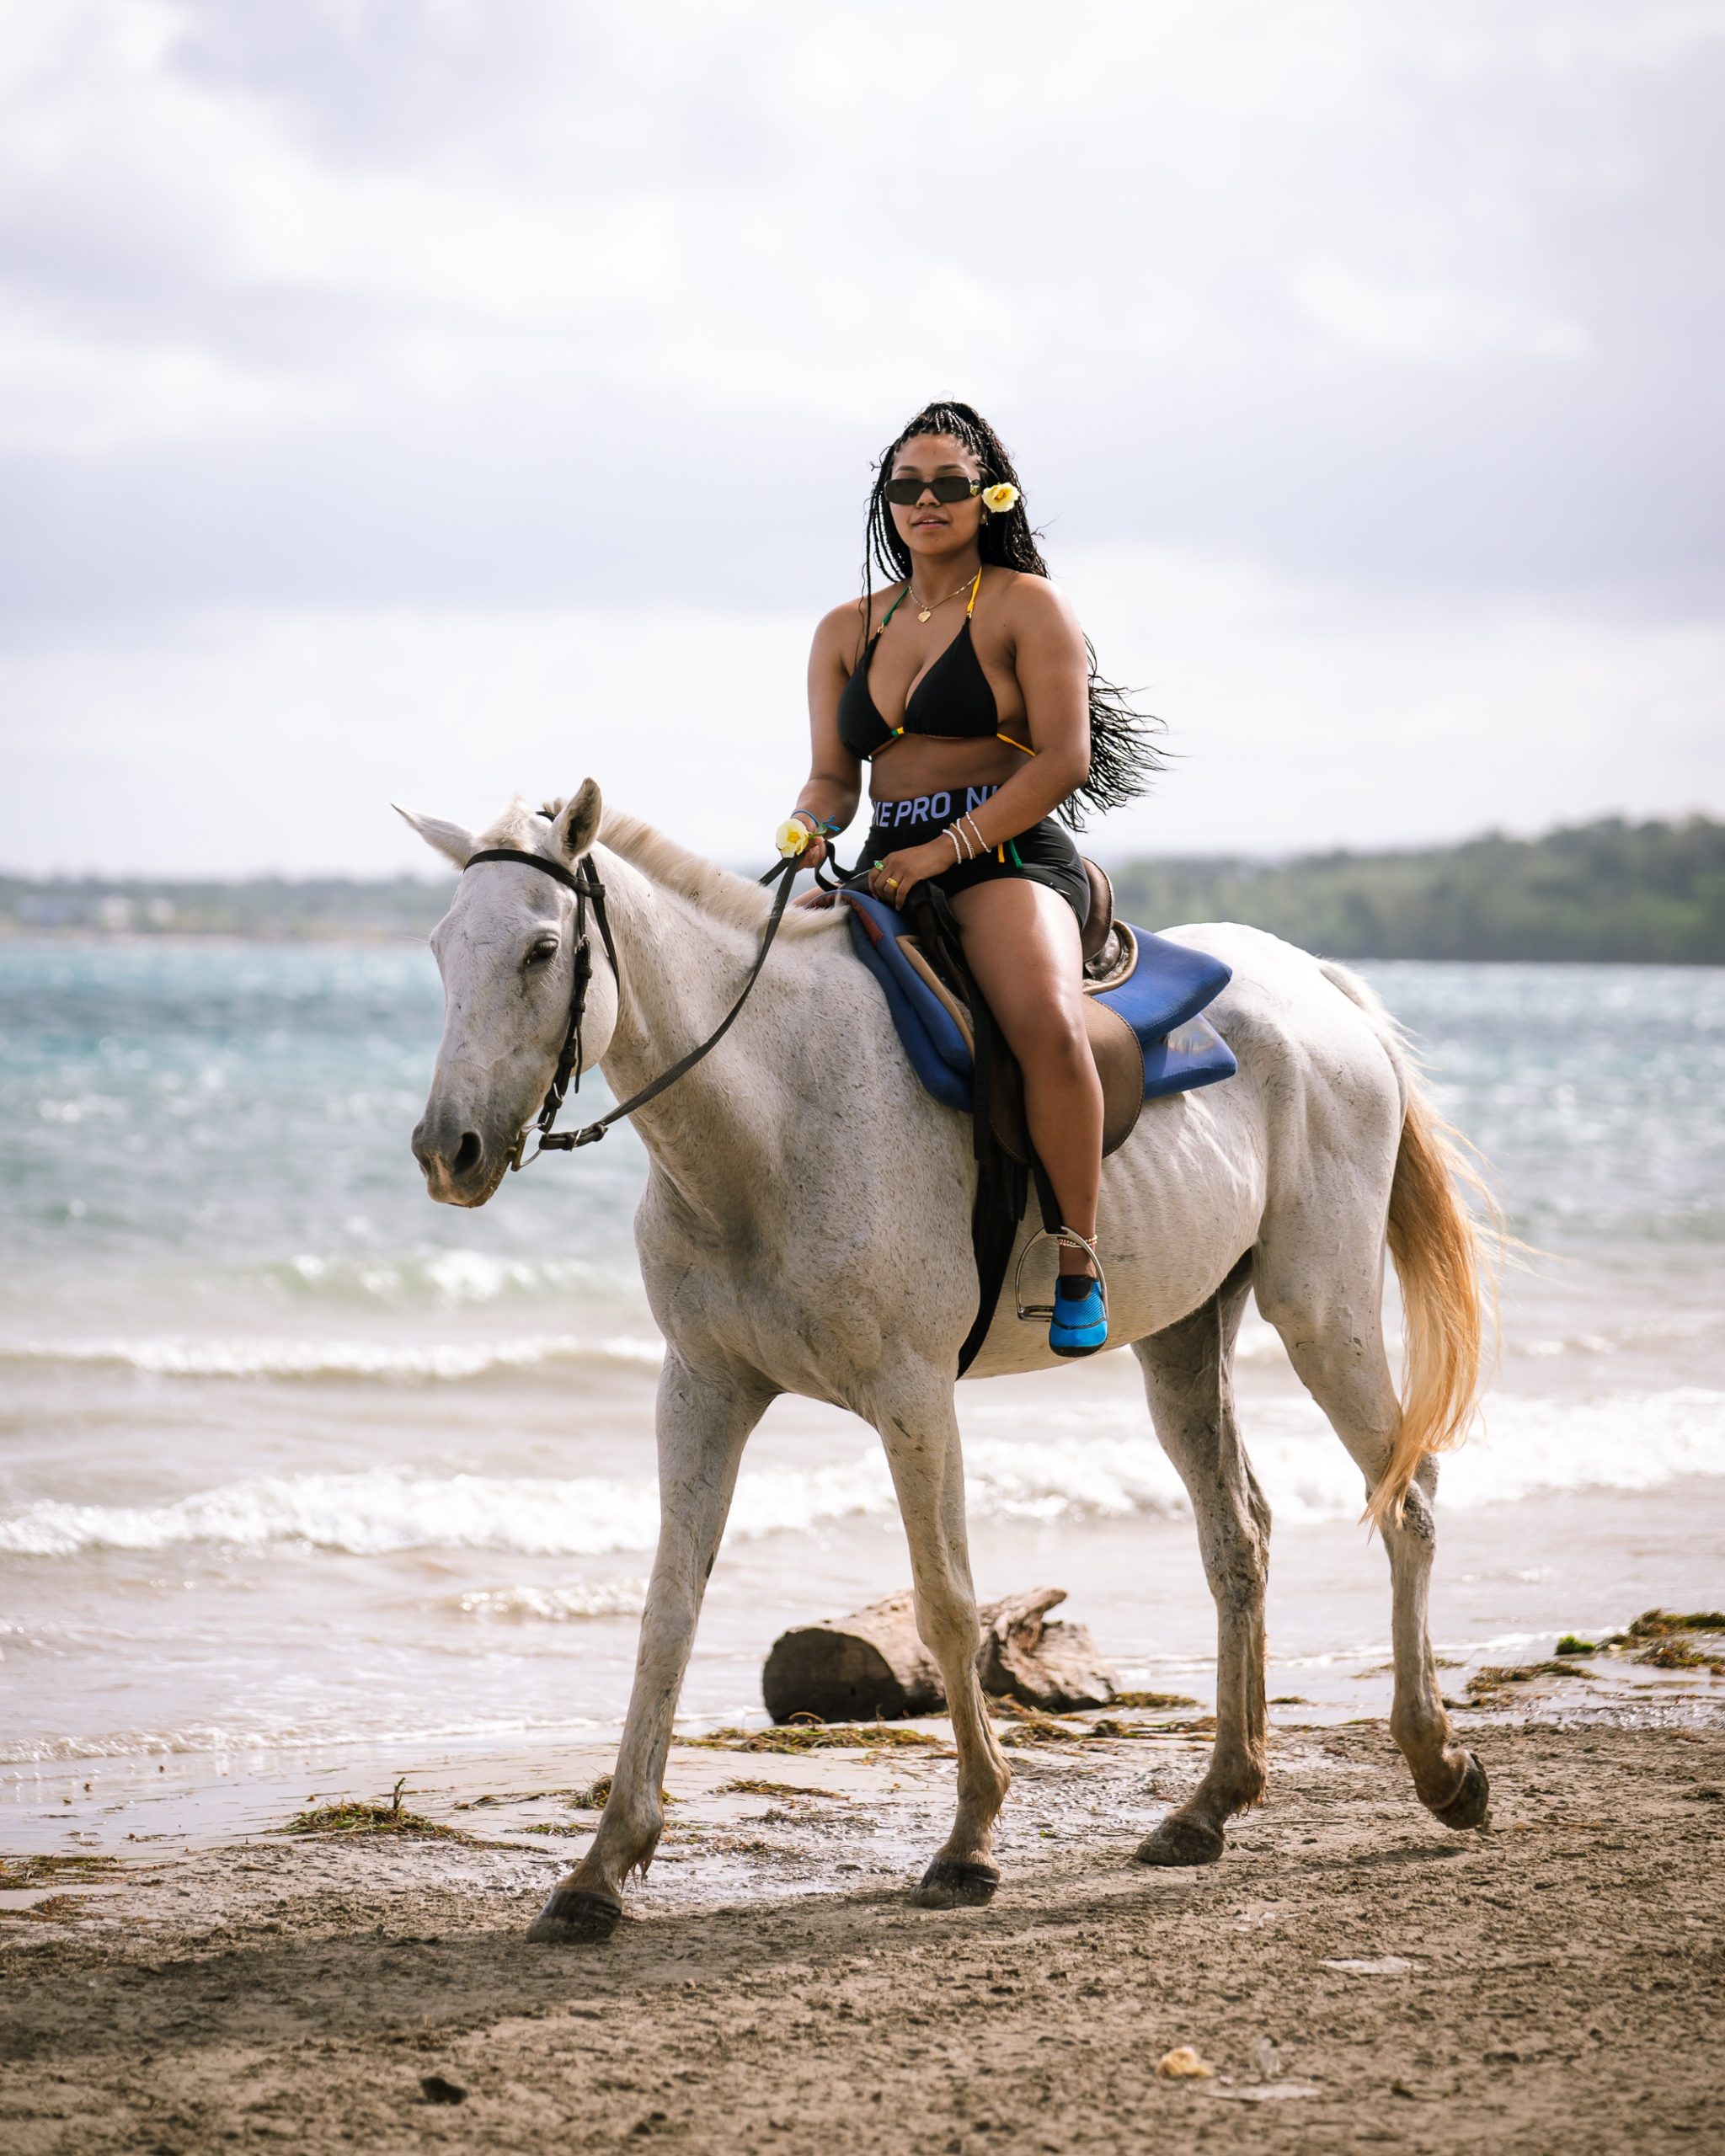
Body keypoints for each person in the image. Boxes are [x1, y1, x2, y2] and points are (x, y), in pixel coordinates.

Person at [779, 399, 1162, 1358]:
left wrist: (945, 852)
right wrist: (807, 827)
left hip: (1005, 854)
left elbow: (1062, 761)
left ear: (989, 496)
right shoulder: (841, 629)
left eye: (949, 484)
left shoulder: (1028, 606)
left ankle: (1076, 1255)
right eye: (906, 486)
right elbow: (835, 776)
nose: (926, 502)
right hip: (884, 864)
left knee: (1041, 1017)